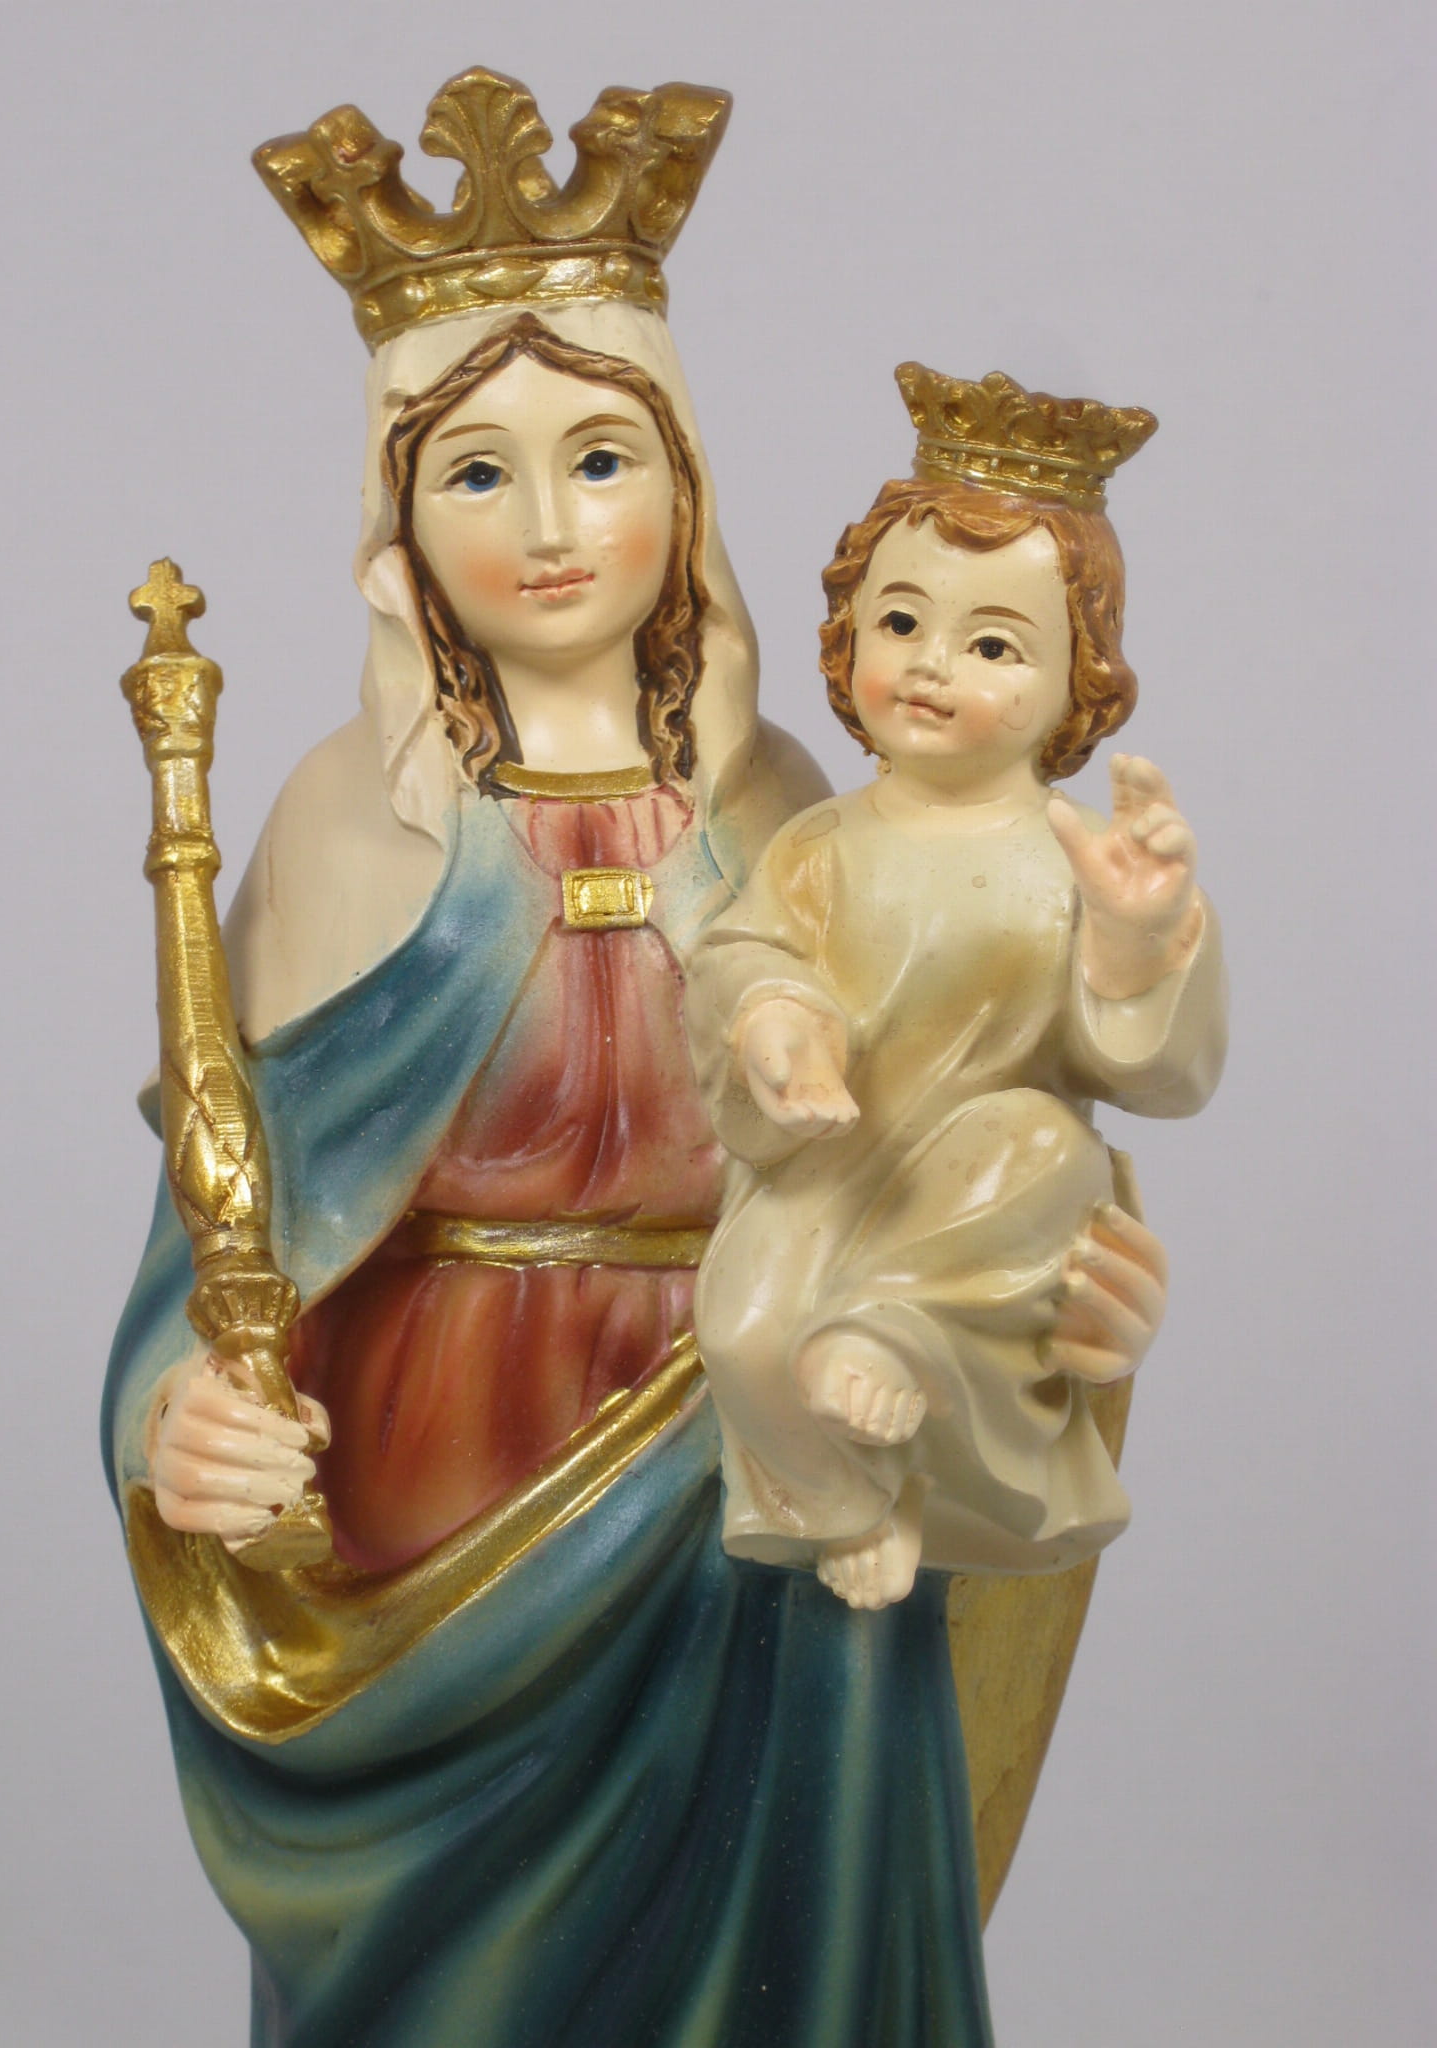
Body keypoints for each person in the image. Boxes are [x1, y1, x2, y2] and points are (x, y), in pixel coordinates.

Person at [104, 78, 1174, 2047]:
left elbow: (954, 1153)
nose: (547, 528)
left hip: (765, 1463)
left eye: (599, 455)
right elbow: (224, 1222)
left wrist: (1060, 1303)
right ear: (397, 525)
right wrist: (185, 1411)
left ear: (682, 477)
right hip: (443, 1503)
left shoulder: (790, 815)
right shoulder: (348, 827)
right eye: (475, 472)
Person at [688, 365, 1227, 1611]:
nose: (931, 666)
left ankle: (893, 1338)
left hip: (992, 1190)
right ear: (848, 633)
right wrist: (775, 1021)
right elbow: (744, 955)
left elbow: (1167, 1074)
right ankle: (848, 1500)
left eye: (991, 644)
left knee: (1037, 1145)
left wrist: (1137, 945)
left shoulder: (1074, 855)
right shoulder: (821, 841)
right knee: (745, 1327)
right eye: (900, 622)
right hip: (831, 1164)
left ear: (1078, 680)